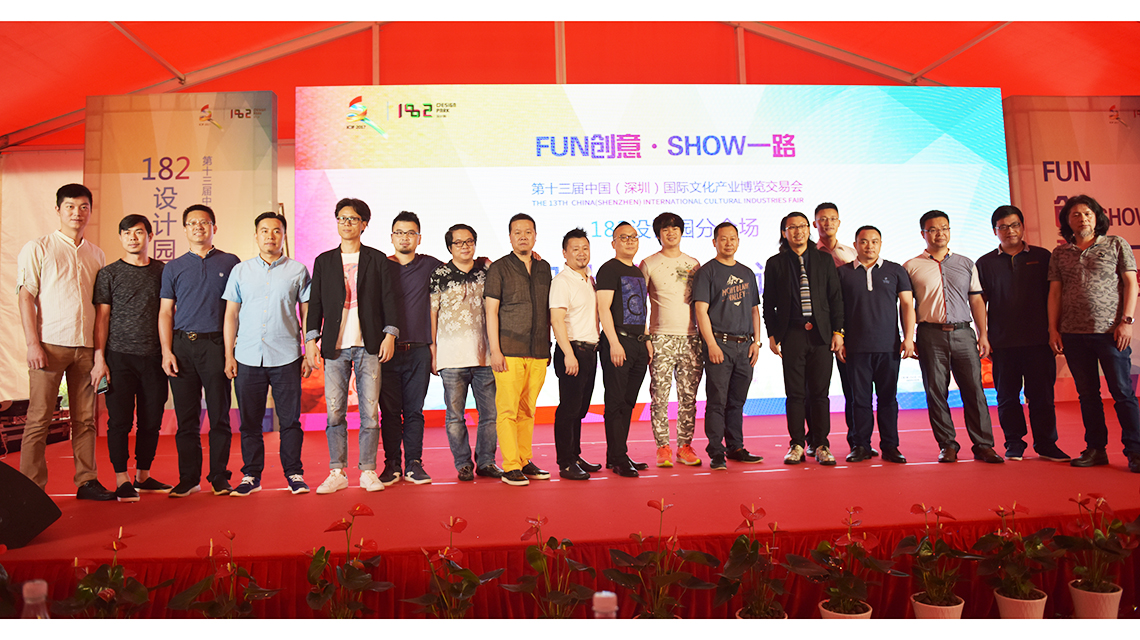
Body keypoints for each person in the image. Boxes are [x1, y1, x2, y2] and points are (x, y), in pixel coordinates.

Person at [16, 183, 111, 500]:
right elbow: (25, 297)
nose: (77, 213)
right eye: (70, 206)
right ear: (58, 209)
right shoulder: (38, 247)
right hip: (49, 345)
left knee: (85, 420)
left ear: (90, 211)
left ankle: (87, 481)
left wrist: (99, 354)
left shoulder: (96, 254)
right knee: (39, 419)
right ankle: (31, 489)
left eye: (84, 207)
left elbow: (100, 308)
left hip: (86, 348)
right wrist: (32, 343)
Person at [306, 198, 399, 495]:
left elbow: (389, 299)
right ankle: (337, 471)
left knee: (370, 412)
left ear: (364, 224)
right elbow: (315, 304)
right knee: (335, 412)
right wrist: (311, 340)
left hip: (369, 345)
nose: (347, 223)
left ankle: (368, 471)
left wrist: (390, 335)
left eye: (353, 218)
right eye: (342, 218)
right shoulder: (324, 261)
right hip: (335, 347)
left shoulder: (377, 259)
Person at [1048, 195, 1140, 473]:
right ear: (1067, 221)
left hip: (1111, 333)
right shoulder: (1060, 253)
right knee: (1088, 395)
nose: (1082, 218)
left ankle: (1136, 451)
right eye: (1075, 214)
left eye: (1087, 213)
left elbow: (1131, 283)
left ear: (1097, 217)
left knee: (1122, 393)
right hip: (1073, 334)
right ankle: (1096, 449)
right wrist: (1053, 328)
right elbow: (1055, 293)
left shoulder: (1116, 244)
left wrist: (1127, 321)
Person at [222, 212, 312, 496]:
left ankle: (294, 474)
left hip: (287, 356)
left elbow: (307, 312)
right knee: (250, 422)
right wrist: (229, 355)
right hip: (247, 356)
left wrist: (308, 350)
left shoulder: (298, 270)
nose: (270, 236)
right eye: (264, 231)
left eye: (276, 231)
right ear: (256, 235)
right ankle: (251, 475)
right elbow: (230, 315)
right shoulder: (241, 271)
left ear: (283, 235)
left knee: (290, 421)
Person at [904, 210, 1003, 464]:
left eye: (944, 228)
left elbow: (976, 300)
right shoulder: (911, 267)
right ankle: (947, 445)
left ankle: (983, 445)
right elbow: (906, 306)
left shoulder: (967, 263)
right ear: (923, 234)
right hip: (930, 335)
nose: (940, 233)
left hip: (963, 334)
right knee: (936, 392)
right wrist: (909, 337)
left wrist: (983, 335)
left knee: (974, 390)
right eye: (933, 229)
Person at [160, 204, 241, 497]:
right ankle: (189, 478)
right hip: (182, 347)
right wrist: (167, 351)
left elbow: (236, 308)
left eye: (204, 222)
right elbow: (165, 312)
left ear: (214, 228)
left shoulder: (231, 262)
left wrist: (231, 352)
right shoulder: (173, 267)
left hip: (216, 345)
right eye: (192, 223)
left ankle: (219, 476)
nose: (198, 227)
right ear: (185, 229)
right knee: (187, 419)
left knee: (219, 416)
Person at [977, 205, 1069, 462]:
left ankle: (1046, 444)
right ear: (995, 231)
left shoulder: (1042, 257)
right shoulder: (984, 263)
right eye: (1003, 227)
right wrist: (983, 335)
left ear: (1023, 226)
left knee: (1042, 396)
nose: (1010, 231)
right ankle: (1014, 443)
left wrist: (1054, 330)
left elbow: (1054, 296)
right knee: (1007, 397)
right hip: (1003, 342)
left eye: (1015, 225)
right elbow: (979, 302)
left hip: (1039, 340)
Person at [90, 214, 172, 502]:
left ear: (150, 235)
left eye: (138, 232)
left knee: (152, 420)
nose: (133, 238)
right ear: (121, 237)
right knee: (120, 422)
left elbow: (169, 312)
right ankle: (121, 479)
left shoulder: (163, 271)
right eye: (127, 233)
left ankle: (143, 476)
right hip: (119, 358)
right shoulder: (109, 273)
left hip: (154, 359)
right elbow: (102, 318)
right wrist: (100, 358)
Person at [763, 212, 844, 466]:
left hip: (821, 335)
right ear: (784, 232)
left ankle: (821, 444)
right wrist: (772, 334)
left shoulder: (823, 260)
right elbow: (769, 303)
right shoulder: (775, 263)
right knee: (795, 393)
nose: (798, 231)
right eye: (792, 227)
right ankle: (796, 444)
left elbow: (835, 297)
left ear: (809, 229)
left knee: (820, 393)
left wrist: (838, 332)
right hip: (792, 334)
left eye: (802, 226)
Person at [835, 226, 914, 464]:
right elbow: (837, 309)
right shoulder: (843, 273)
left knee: (888, 399)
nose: (869, 246)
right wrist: (840, 338)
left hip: (888, 347)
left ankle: (890, 446)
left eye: (874, 241)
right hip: (856, 348)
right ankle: (860, 445)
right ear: (855, 245)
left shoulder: (895, 270)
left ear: (880, 243)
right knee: (859, 400)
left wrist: (908, 338)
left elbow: (907, 305)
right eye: (864, 241)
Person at [430, 224, 503, 482]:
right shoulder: (439, 274)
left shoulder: (487, 270)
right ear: (450, 247)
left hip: (485, 355)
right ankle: (462, 464)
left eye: (469, 241)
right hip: (451, 357)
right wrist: (433, 349)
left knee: (490, 414)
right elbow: (432, 313)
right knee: (454, 417)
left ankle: (486, 461)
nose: (465, 246)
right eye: (458, 242)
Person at [485, 213, 552, 487]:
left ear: (535, 236)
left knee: (528, 410)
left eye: (528, 232)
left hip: (539, 350)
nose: (523, 236)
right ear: (510, 237)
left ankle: (525, 460)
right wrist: (495, 350)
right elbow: (491, 312)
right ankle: (511, 465)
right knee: (507, 411)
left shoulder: (544, 267)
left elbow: (548, 309)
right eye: (517, 232)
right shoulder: (499, 268)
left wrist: (547, 347)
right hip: (509, 350)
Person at [381, 211, 444, 485]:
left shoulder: (429, 265)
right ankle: (392, 464)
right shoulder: (381, 266)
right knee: (390, 412)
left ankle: (414, 464)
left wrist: (483, 261)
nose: (404, 238)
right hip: (387, 350)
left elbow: (459, 266)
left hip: (419, 350)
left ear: (419, 238)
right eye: (399, 232)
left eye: (410, 233)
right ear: (391, 237)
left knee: (415, 411)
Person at [694, 222, 764, 470]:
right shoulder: (707, 272)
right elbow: (701, 311)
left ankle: (736, 447)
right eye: (723, 239)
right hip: (719, 345)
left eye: (733, 238)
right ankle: (716, 452)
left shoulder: (746, 273)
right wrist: (711, 344)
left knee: (737, 401)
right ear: (714, 242)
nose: (728, 243)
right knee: (717, 401)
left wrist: (757, 342)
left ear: (738, 241)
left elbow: (754, 310)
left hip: (745, 347)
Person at [639, 212, 703, 467]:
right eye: (665, 229)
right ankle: (663, 447)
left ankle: (685, 446)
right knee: (660, 395)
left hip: (691, 338)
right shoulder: (648, 263)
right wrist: (646, 336)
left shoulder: (694, 264)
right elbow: (638, 304)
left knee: (688, 396)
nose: (671, 232)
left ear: (681, 232)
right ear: (658, 235)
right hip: (660, 337)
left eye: (675, 228)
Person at [597, 222, 651, 478]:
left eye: (633, 237)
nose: (630, 241)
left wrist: (647, 340)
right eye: (623, 237)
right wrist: (614, 342)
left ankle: (617, 453)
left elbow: (641, 309)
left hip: (638, 344)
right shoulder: (609, 269)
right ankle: (618, 457)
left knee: (628, 402)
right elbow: (603, 308)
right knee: (616, 402)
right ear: (614, 243)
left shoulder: (638, 272)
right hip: (618, 341)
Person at [549, 228, 603, 480]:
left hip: (590, 351)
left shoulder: (589, 278)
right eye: (575, 249)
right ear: (565, 253)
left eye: (585, 248)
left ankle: (575, 455)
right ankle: (566, 462)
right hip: (572, 351)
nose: (581, 253)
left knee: (580, 409)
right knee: (568, 409)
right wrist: (568, 354)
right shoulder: (562, 281)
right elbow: (556, 320)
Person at [810, 202, 858, 457]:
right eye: (822, 219)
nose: (827, 223)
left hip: (848, 327)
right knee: (815, 389)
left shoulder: (852, 253)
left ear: (839, 222)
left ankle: (858, 442)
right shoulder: (808, 255)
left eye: (832, 218)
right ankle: (815, 440)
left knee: (853, 388)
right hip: (816, 330)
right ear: (814, 224)